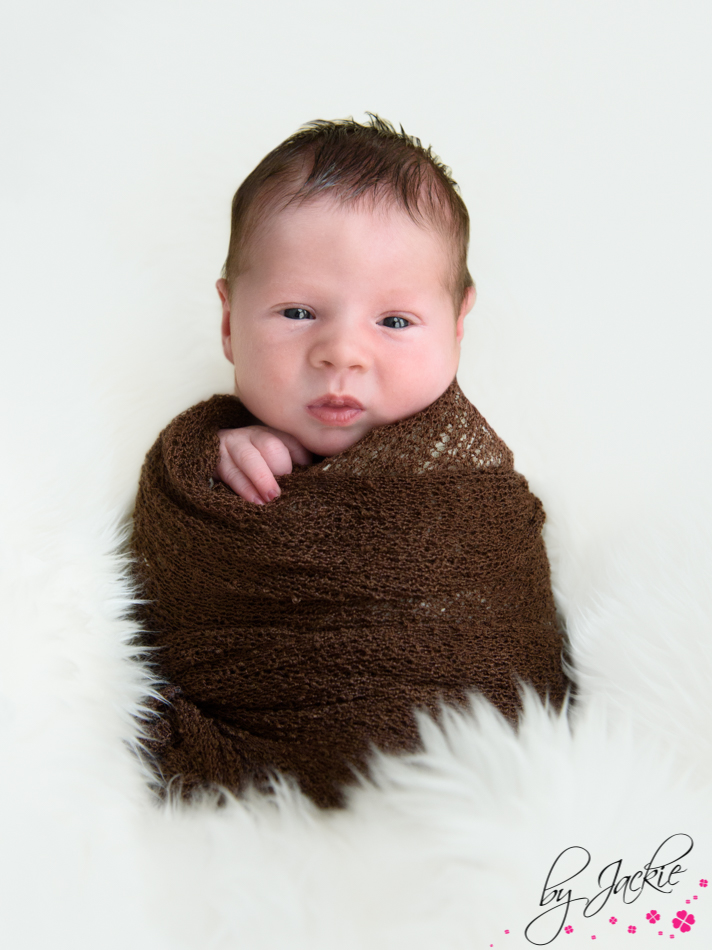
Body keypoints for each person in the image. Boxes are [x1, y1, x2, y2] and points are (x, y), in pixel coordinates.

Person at [131, 115, 570, 809]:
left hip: (460, 801)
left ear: (458, 326)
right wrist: (215, 460)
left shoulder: (472, 497)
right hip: (248, 795)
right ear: (227, 320)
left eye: (394, 322)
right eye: (298, 312)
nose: (342, 352)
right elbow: (159, 619)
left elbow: (509, 646)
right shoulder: (202, 473)